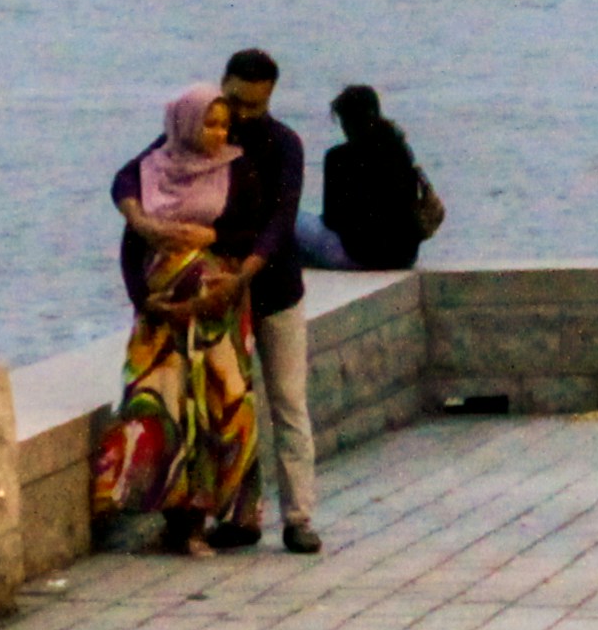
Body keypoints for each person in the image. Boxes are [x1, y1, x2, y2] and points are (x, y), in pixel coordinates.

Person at [102, 44, 324, 552]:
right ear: (222, 86)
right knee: (225, 408)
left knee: (288, 402)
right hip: (218, 304)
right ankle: (239, 517)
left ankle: (298, 517)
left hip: (272, 288)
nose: (239, 118)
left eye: (253, 107)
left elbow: (278, 223)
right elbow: (130, 176)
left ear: (269, 100)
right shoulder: (202, 131)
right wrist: (142, 221)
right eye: (234, 103)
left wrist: (241, 276)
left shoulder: (283, 145)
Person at [93, 89, 264, 554]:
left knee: (213, 415)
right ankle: (174, 521)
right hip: (160, 328)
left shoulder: (238, 170)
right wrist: (147, 301)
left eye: (223, 125)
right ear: (186, 124)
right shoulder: (150, 169)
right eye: (209, 124)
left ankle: (207, 520)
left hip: (215, 324)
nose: (218, 134)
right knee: (165, 416)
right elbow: (132, 241)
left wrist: (212, 236)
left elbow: (252, 231)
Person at [316, 83, 441, 273]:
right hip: (404, 255)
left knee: (294, 224)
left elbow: (331, 219)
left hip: (359, 256)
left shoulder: (337, 157)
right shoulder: (399, 150)